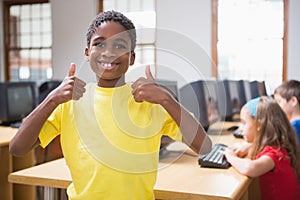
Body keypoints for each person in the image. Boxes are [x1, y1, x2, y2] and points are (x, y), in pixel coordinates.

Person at [9, 10, 212, 200]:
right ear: (87, 52)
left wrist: (167, 99)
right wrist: (52, 98)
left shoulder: (150, 101)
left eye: (120, 46)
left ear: (132, 57)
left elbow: (205, 147)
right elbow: (18, 148)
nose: (109, 52)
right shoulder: (69, 101)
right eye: (99, 44)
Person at [224, 96, 300, 200]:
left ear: (259, 125)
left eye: (244, 123)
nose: (240, 128)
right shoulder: (279, 145)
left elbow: (250, 168)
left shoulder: (274, 154)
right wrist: (249, 146)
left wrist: (230, 156)